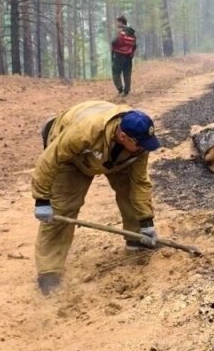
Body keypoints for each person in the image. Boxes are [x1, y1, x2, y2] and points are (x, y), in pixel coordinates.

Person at [32, 101, 160, 295]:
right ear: (123, 136)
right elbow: (50, 159)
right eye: (141, 144)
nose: (146, 148)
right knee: (64, 206)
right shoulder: (85, 131)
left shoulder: (139, 146)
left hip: (115, 157)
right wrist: (41, 199)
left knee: (129, 190)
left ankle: (137, 242)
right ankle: (49, 272)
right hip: (73, 157)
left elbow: (140, 183)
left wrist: (146, 221)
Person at [111, 16, 137, 96]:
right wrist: (131, 54)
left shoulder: (121, 32)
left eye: (117, 22)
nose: (116, 24)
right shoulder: (132, 32)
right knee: (127, 73)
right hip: (128, 56)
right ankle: (127, 90)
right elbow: (135, 45)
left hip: (119, 55)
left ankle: (120, 88)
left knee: (115, 72)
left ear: (121, 22)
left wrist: (113, 48)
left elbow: (115, 42)